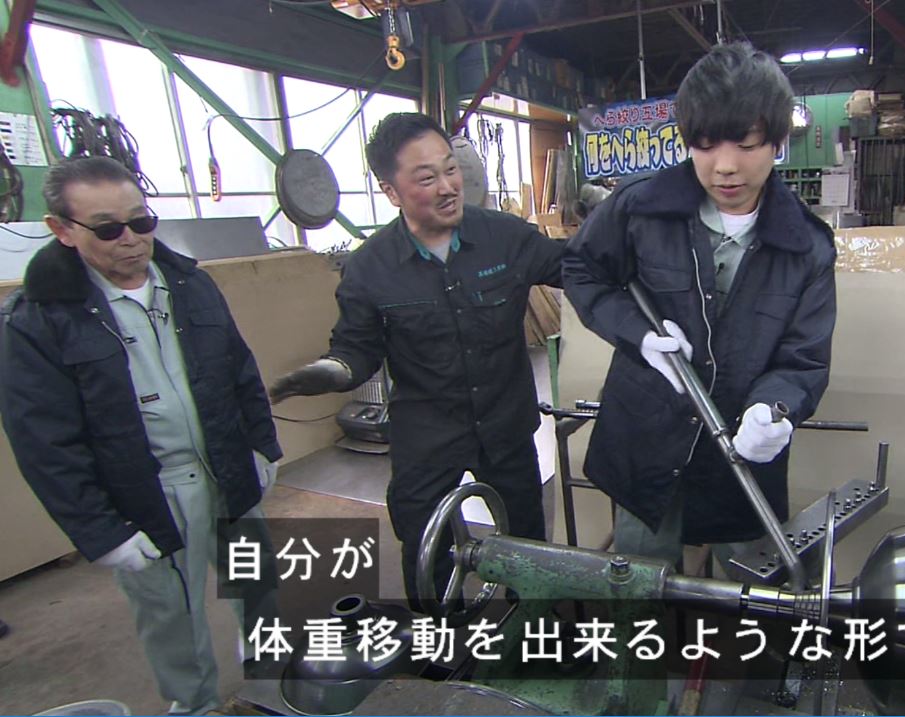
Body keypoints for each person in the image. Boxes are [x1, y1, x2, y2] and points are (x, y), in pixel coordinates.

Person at [0, 156, 282, 714]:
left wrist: (261, 447)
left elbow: (239, 370)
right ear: (62, 229)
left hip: (226, 467)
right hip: (150, 495)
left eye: (141, 221)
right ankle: (195, 706)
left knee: (259, 585)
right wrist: (103, 532)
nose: (130, 239)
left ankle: (273, 681)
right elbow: (45, 443)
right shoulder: (38, 321)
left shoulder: (191, 285)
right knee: (173, 619)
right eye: (108, 229)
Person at [269, 113, 564, 609]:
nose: (448, 187)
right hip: (427, 434)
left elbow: (576, 266)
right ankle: (439, 634)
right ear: (391, 190)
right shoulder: (371, 267)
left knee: (525, 546)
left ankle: (529, 625)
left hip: (505, 424)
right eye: (427, 178)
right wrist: (333, 372)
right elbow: (357, 347)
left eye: (450, 169)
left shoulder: (505, 238)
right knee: (426, 547)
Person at [562, 42, 837, 567]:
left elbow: (803, 359)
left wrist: (774, 410)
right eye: (706, 146)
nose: (725, 167)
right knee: (638, 582)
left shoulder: (807, 246)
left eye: (747, 145)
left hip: (738, 453)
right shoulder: (641, 207)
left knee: (747, 589)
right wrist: (640, 337)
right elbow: (581, 269)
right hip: (645, 437)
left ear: (778, 141)